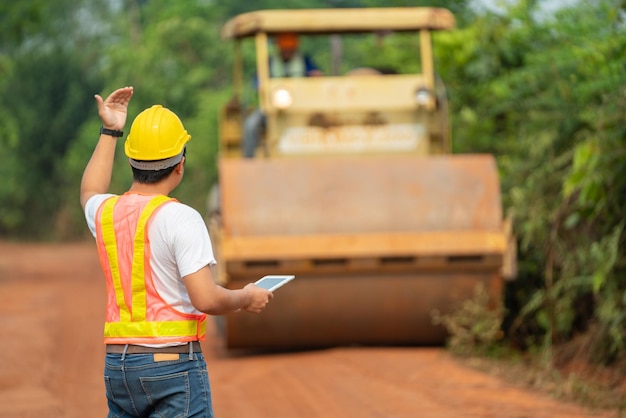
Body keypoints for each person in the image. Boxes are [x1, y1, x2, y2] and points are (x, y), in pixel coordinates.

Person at [80, 86, 273, 417]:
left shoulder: (106, 212)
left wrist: (110, 129)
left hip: (119, 367)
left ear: (131, 160)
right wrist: (247, 296)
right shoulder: (180, 217)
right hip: (171, 365)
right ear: (180, 164)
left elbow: (90, 190)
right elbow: (206, 299)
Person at [243, 32, 322, 157]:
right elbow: (257, 82)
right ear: (279, 47)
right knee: (251, 125)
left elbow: (316, 75)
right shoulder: (269, 63)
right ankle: (249, 161)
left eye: (290, 49)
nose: (288, 51)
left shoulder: (305, 61)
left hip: (303, 107)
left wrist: (315, 76)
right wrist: (260, 86)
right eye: (285, 48)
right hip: (271, 108)